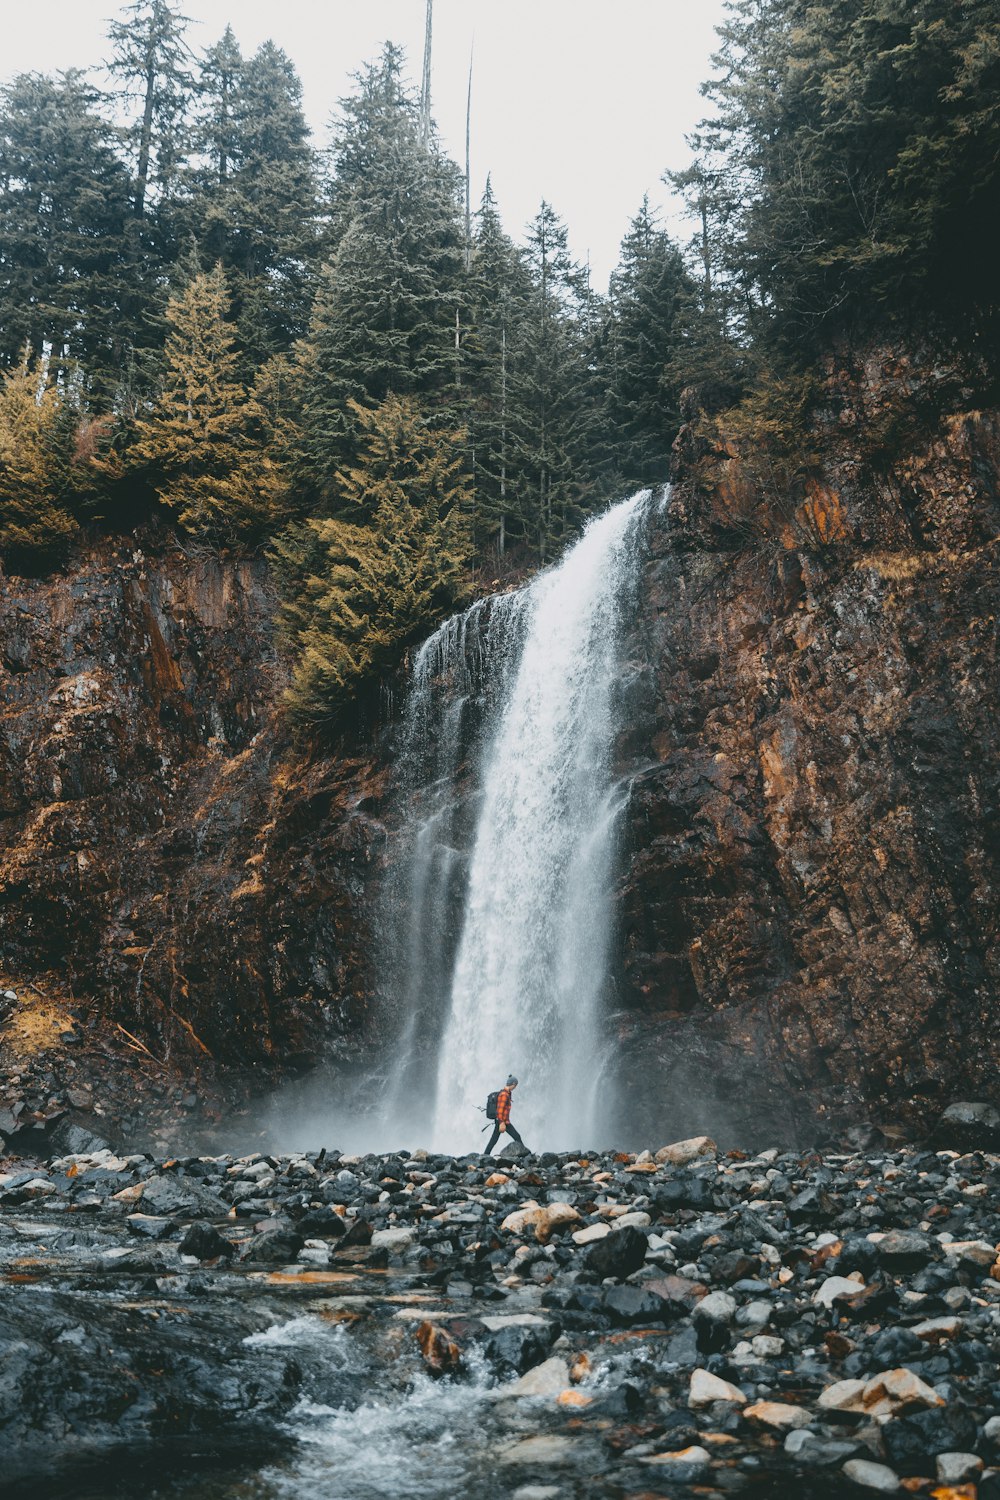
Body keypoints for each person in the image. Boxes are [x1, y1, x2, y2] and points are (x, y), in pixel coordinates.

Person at [484, 1075, 528, 1155]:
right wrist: (501, 1123)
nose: (515, 1087)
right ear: (513, 1084)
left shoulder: (506, 1093)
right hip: (503, 1121)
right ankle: (525, 1154)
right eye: (515, 1085)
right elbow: (499, 1110)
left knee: (494, 1139)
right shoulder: (504, 1095)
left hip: (503, 1121)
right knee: (517, 1137)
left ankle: (485, 1154)